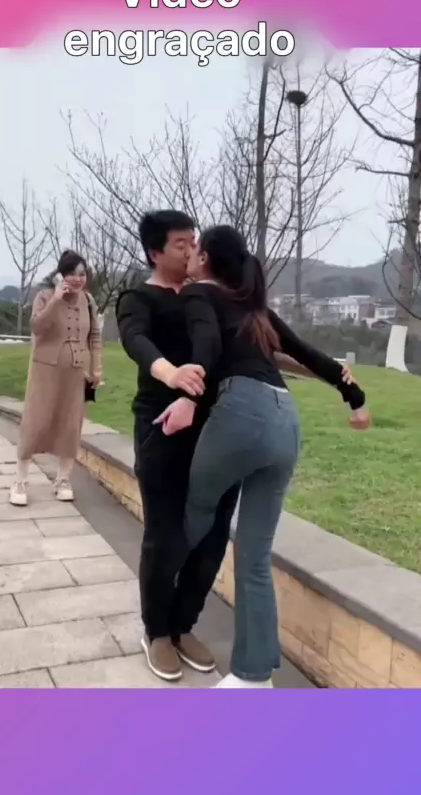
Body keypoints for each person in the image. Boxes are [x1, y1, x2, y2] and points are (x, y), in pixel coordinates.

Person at [116, 210, 355, 683]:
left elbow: (266, 345)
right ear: (155, 252)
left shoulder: (215, 294)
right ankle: (157, 631)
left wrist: (329, 375)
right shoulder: (139, 298)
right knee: (166, 533)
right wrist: (172, 375)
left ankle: (183, 625)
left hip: (217, 425)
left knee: (211, 538)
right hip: (164, 425)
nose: (191, 249)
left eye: (194, 242)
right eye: (181, 244)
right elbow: (135, 341)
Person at [10, 250, 103, 507]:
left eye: (82, 274)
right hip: (45, 372)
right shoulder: (45, 296)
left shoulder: (88, 301)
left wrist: (97, 368)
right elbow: (37, 327)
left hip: (75, 372)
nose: (77, 279)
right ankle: (20, 480)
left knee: (71, 425)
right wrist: (56, 300)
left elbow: (95, 336)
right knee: (35, 422)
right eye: (71, 273)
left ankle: (63, 479)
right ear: (60, 275)